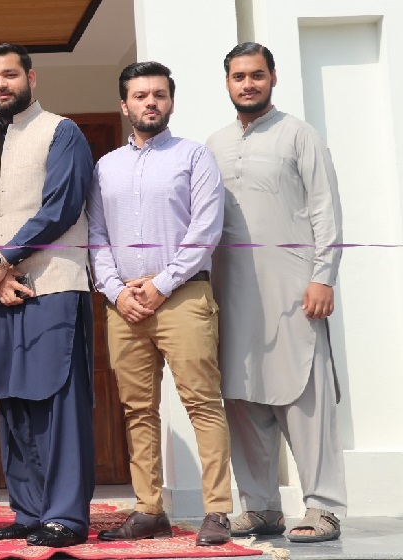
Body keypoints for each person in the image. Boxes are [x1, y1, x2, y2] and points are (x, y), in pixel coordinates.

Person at [206, 42, 346, 544]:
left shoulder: (299, 135)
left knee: (304, 400)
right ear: (227, 83)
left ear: (273, 78)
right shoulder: (215, 144)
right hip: (232, 293)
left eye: (257, 75)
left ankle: (323, 507)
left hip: (295, 289)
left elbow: (326, 209)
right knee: (242, 400)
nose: (248, 84)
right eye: (239, 76)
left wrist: (323, 276)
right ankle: (261, 508)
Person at [0, 43, 94, 548]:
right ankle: (30, 511)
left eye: (10, 75)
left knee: (57, 402)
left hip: (54, 287)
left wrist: (2, 259)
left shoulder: (62, 132)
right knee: (11, 403)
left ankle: (66, 516)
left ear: (31, 78)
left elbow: (60, 207)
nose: (0, 86)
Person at [88, 61, 232, 547]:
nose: (150, 102)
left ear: (171, 101)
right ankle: (149, 509)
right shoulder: (105, 166)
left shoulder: (195, 157)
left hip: (183, 297)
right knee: (137, 410)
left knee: (202, 403)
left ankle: (217, 510)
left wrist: (163, 284)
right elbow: (96, 235)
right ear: (124, 104)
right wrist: (114, 289)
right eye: (140, 95)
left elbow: (205, 231)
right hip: (123, 303)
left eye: (159, 94)